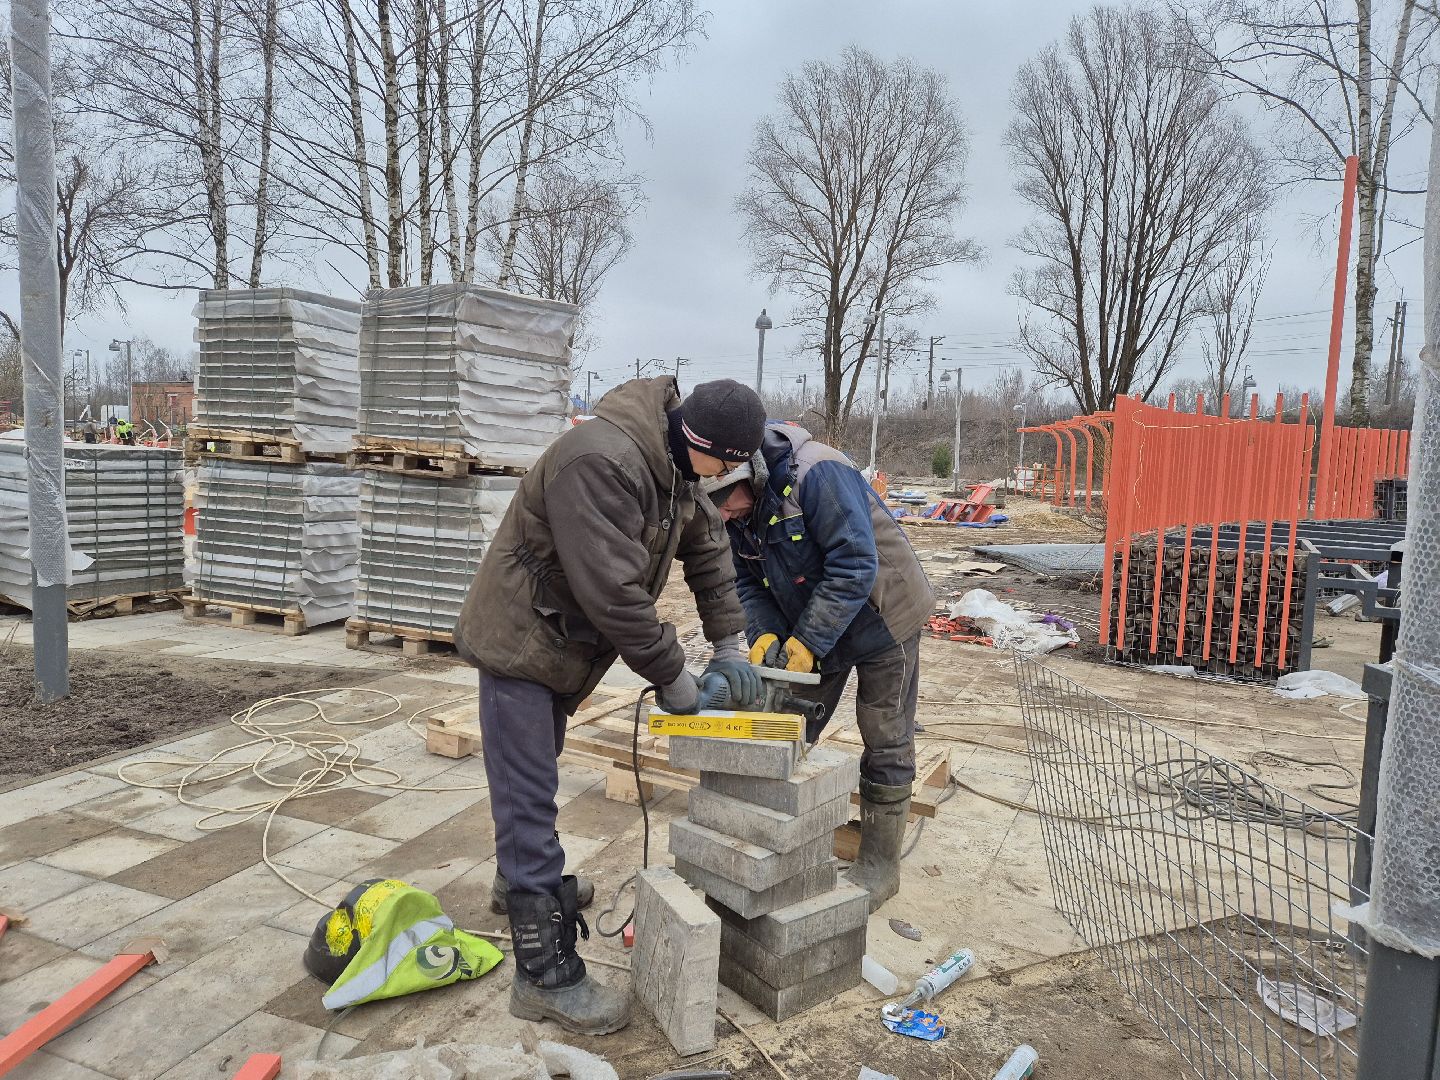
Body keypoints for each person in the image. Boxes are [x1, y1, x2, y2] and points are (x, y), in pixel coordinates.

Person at [453, 376, 767, 1035]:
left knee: (530, 780)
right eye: (731, 462)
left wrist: (731, 644)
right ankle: (544, 976)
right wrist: (675, 676)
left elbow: (708, 551)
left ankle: (517, 886)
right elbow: (615, 596)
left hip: (557, 643)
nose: (731, 475)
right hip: (521, 639)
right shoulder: (603, 461)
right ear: (704, 444)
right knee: (528, 793)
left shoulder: (677, 468)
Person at [702, 423, 934, 913]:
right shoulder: (733, 505)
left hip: (883, 617)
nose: (723, 513)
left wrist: (807, 642)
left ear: (748, 473)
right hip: (816, 619)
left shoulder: (817, 473)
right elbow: (746, 581)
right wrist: (763, 632)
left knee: (884, 732)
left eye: (724, 499)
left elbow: (854, 566)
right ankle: (777, 838)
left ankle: (879, 866)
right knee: (789, 720)